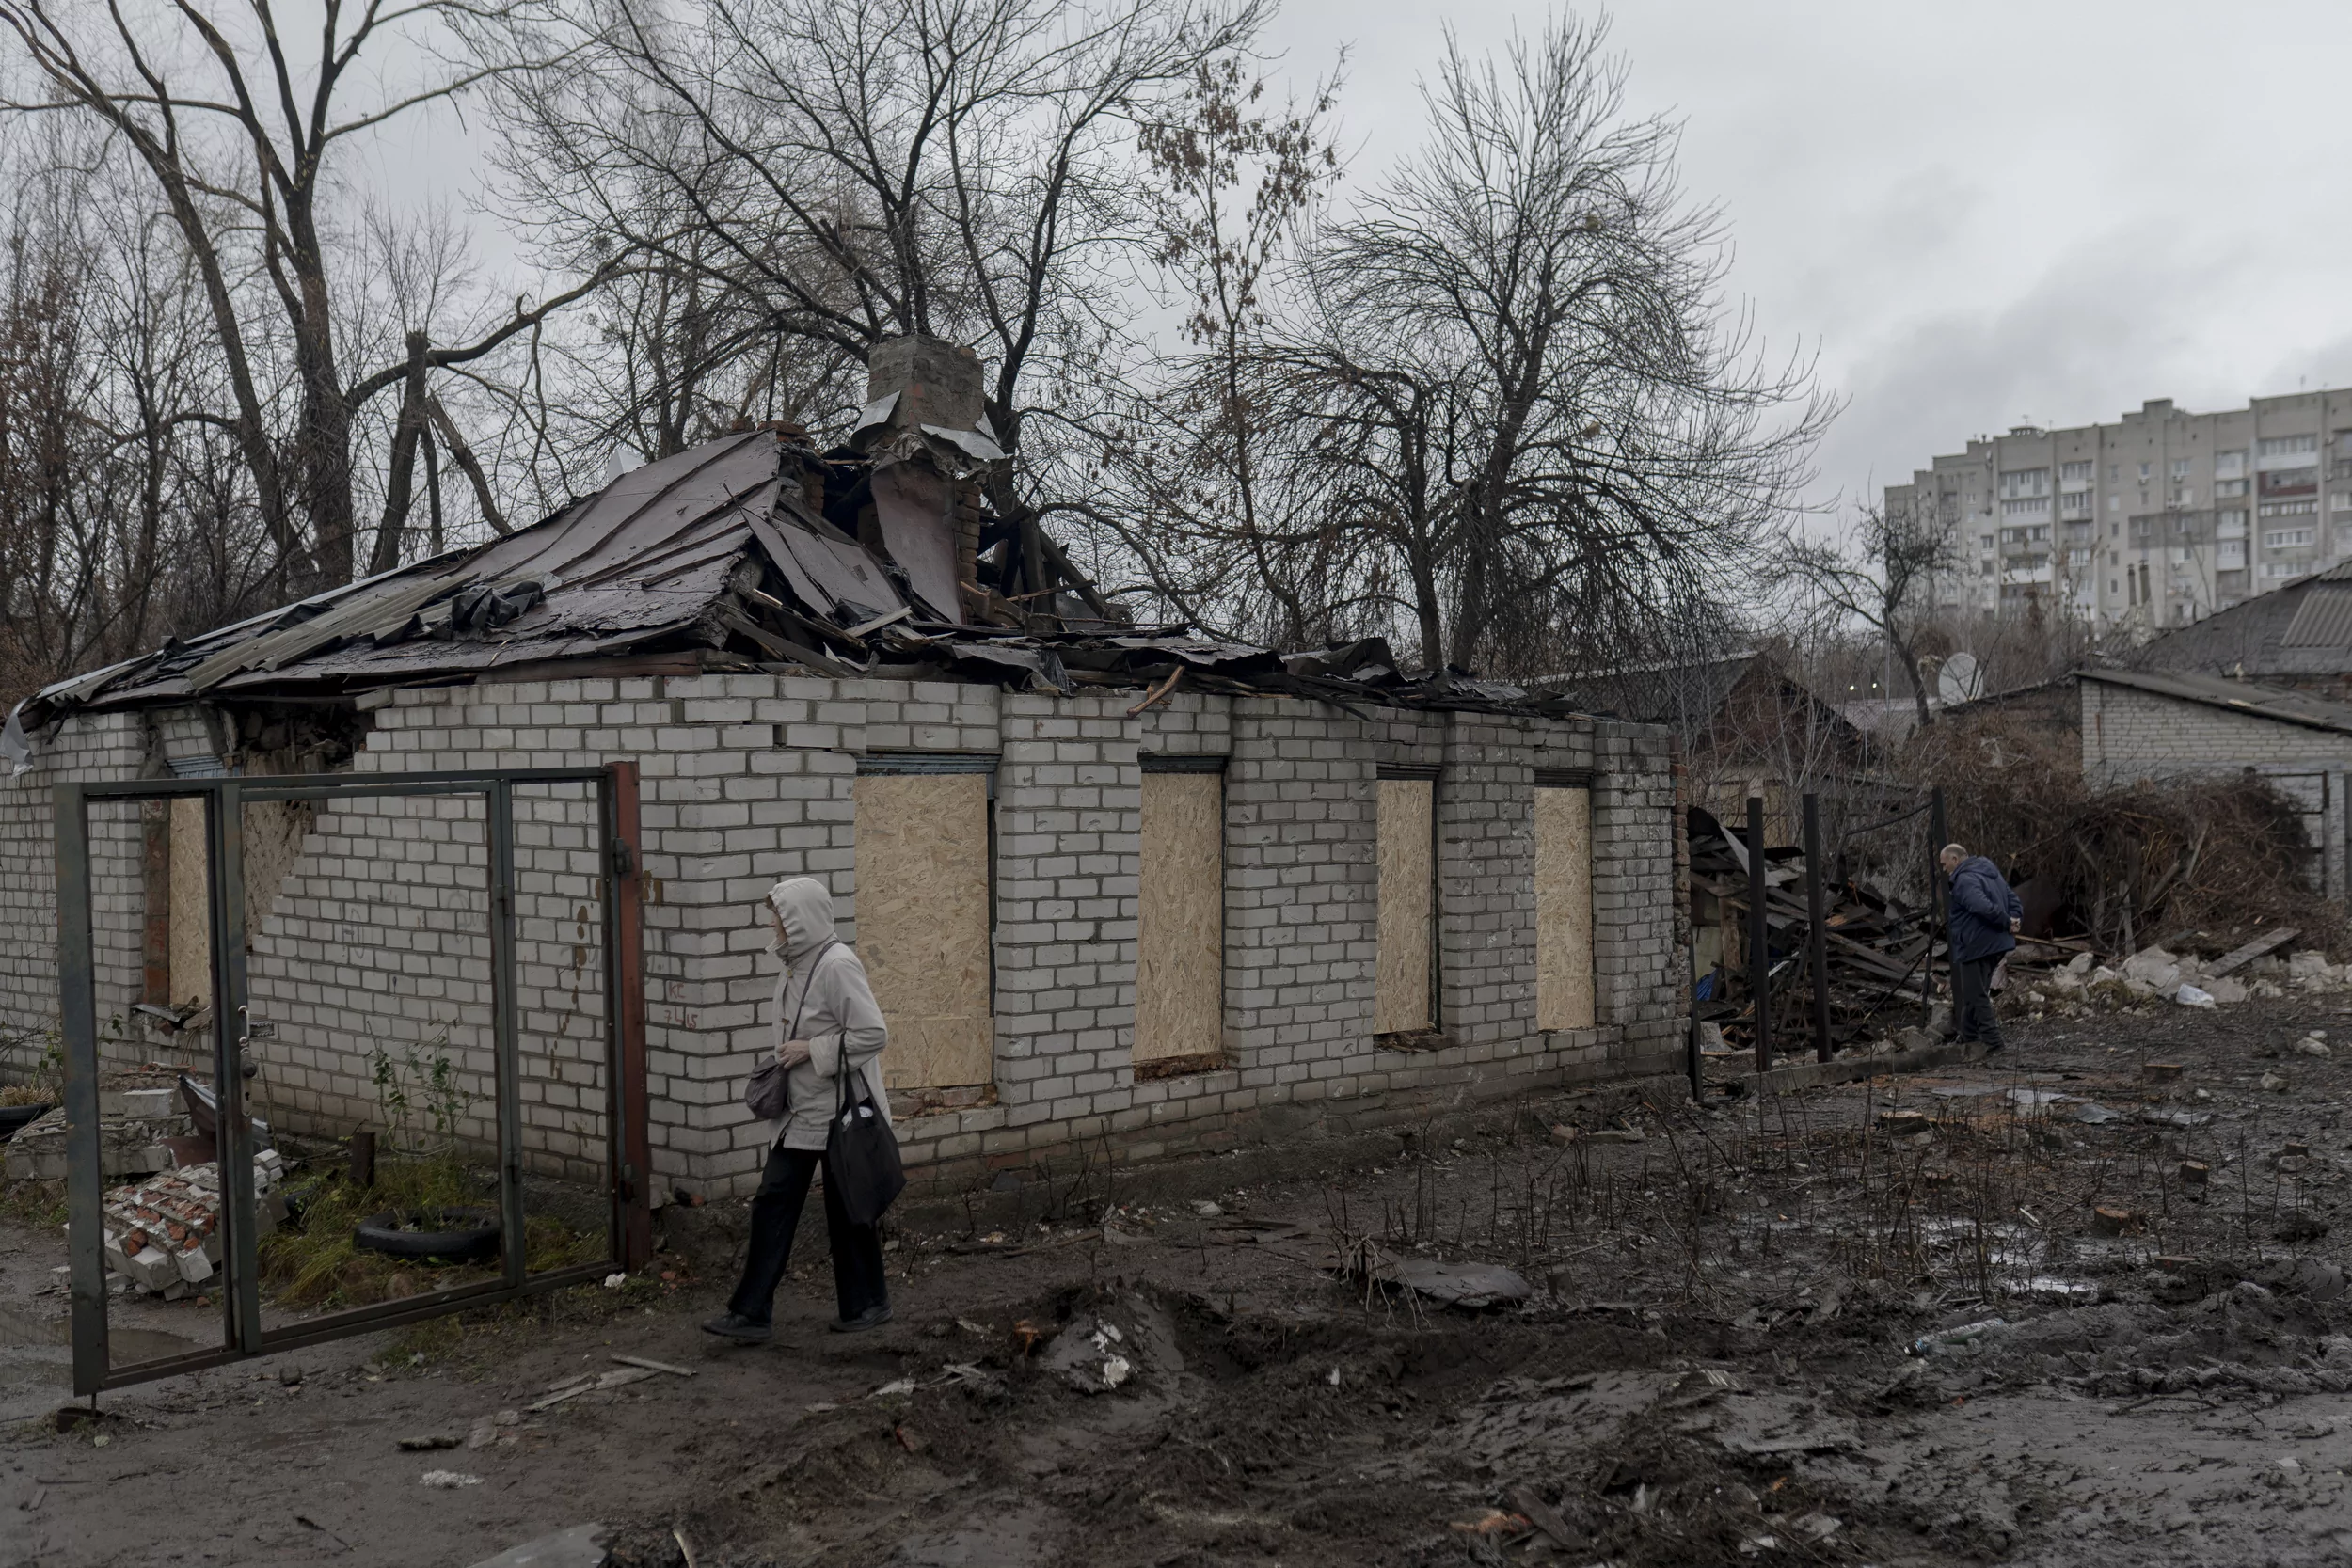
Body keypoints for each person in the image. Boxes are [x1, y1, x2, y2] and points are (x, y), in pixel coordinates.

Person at [703, 877, 893, 1342]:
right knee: (772, 1202)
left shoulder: (837, 965)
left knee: (846, 1207)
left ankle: (868, 1304)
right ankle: (751, 1314)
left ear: (800, 918)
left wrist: (813, 1050)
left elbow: (873, 1034)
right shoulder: (795, 965)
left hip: (838, 1112)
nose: (773, 923)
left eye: (780, 915)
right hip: (802, 1110)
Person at [1942, 843, 2022, 1053]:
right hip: (1995, 944)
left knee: (1976, 995)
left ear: (1955, 860)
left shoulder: (1964, 879)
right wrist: (2014, 919)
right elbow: (2011, 898)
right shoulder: (1989, 869)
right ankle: (1968, 1038)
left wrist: (2006, 921)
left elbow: (1981, 906)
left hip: (1975, 944)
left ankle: (1995, 1044)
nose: (1944, 869)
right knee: (1974, 991)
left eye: (1944, 864)